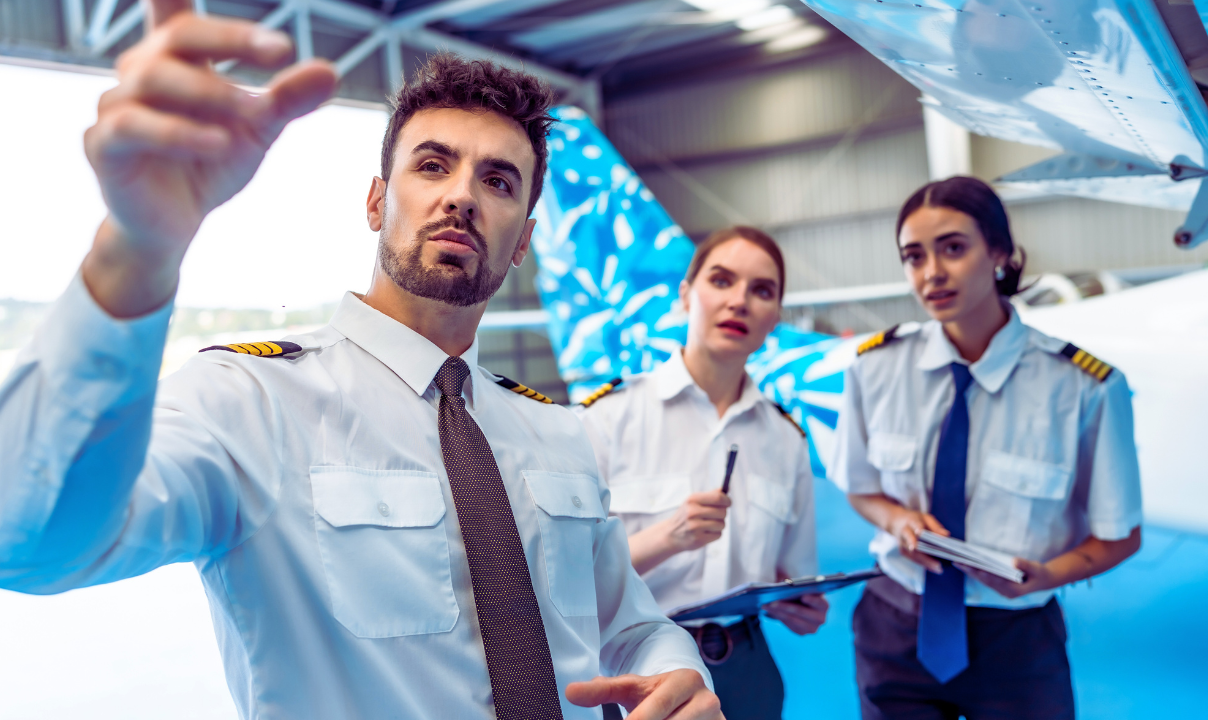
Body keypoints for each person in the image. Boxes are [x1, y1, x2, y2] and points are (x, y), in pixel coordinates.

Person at [0, 2, 722, 719]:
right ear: (377, 202)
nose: (461, 196)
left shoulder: (559, 434)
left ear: (524, 240)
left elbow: (628, 624)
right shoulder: (251, 401)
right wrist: (136, 251)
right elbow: (34, 542)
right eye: (432, 165)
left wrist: (675, 669)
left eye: (499, 182)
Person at [831, 176, 1143, 720]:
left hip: (1016, 637)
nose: (932, 273)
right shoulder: (874, 367)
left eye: (953, 248)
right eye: (913, 256)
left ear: (999, 251)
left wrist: (1048, 575)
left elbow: (1120, 535)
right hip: (894, 624)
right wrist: (900, 520)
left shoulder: (1084, 387)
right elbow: (861, 489)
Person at [576, 226, 829, 720]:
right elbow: (564, 575)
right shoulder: (605, 419)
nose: (740, 301)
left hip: (747, 670)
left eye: (761, 291)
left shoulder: (787, 441)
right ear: (687, 295)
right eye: (722, 280)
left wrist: (803, 607)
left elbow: (795, 575)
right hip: (632, 668)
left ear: (775, 316)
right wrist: (666, 537)